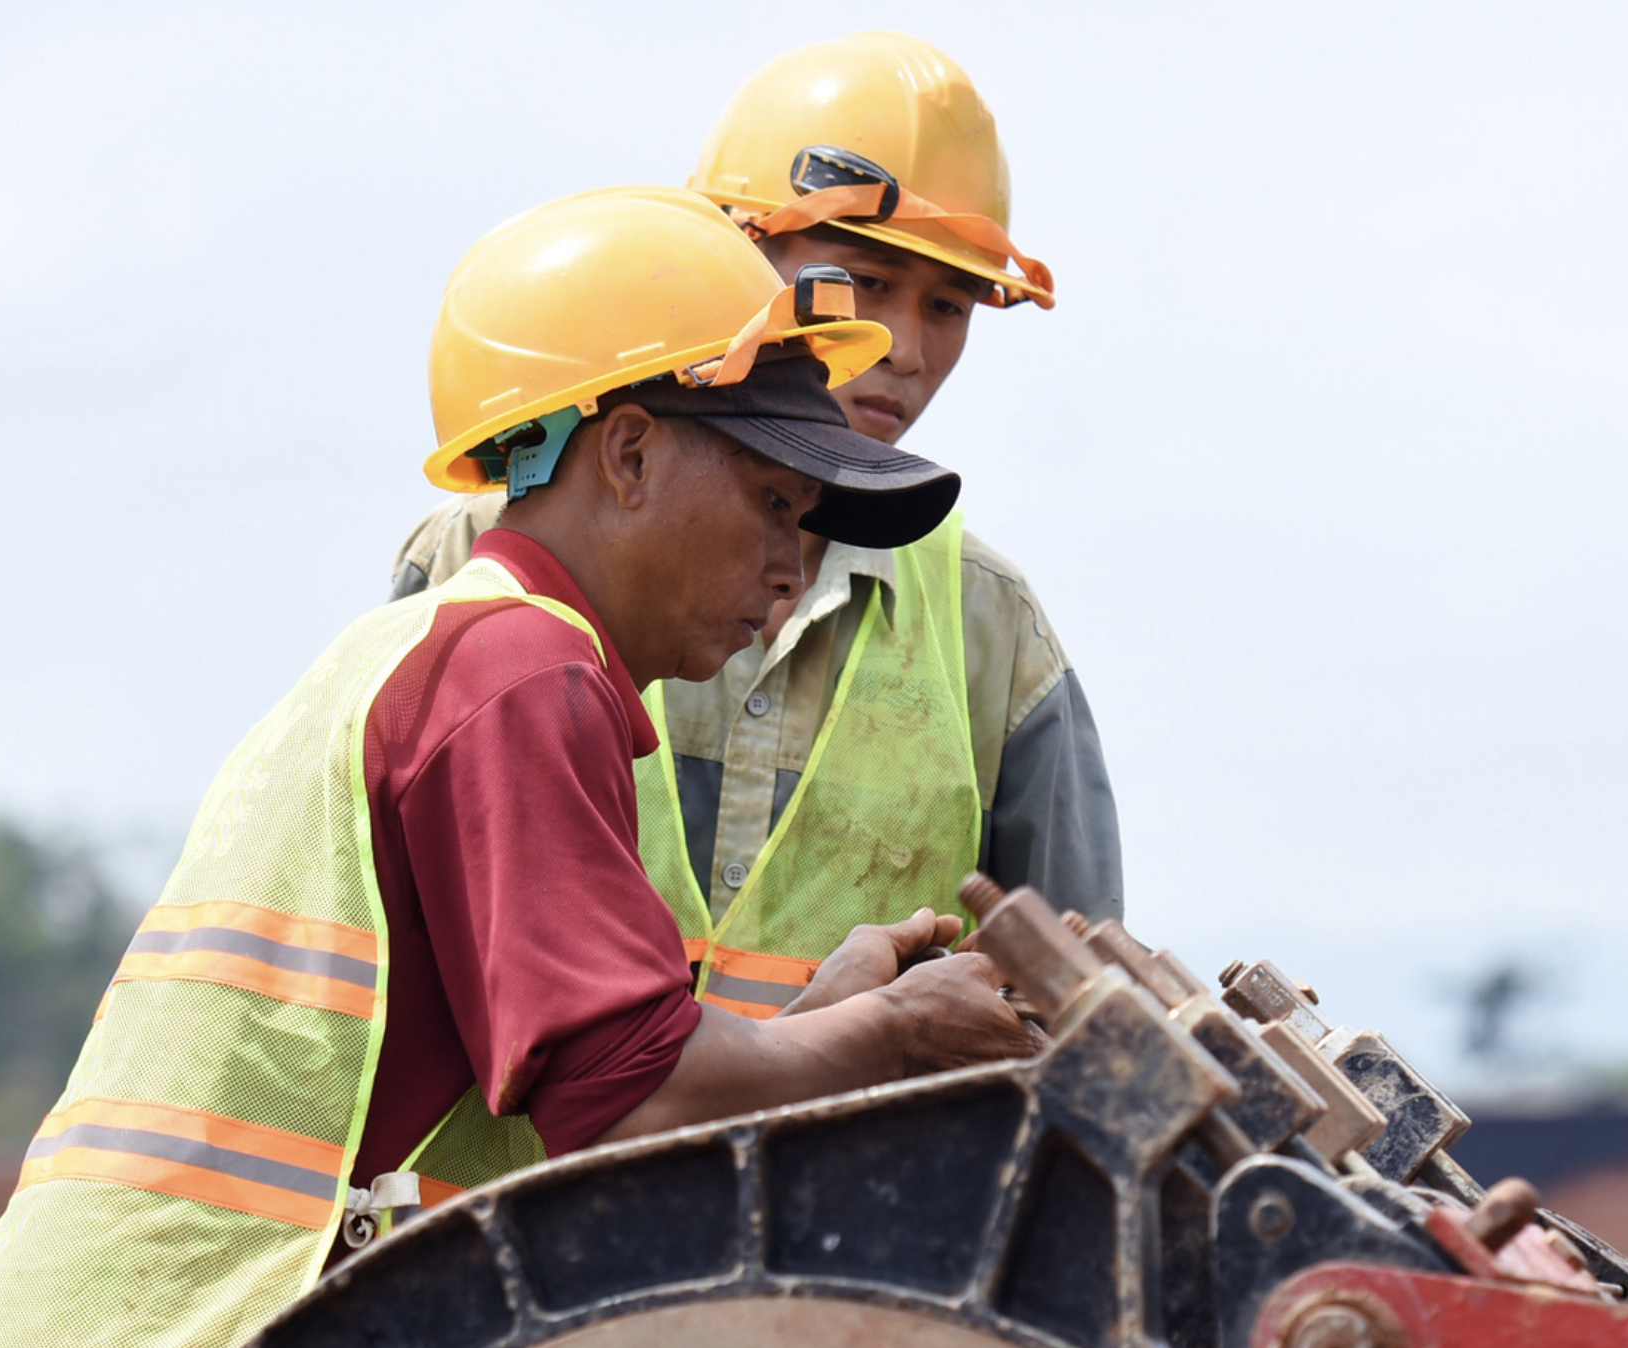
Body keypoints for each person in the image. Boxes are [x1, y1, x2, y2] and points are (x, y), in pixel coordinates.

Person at [0, 186, 1035, 1348]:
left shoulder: (460, 653)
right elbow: (632, 1105)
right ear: (624, 455)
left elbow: (601, 1091)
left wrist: (819, 1020)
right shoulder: (517, 678)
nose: (796, 566)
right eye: (776, 504)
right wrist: (896, 1036)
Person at [390, 32, 1121, 1019]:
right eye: (862, 282)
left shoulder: (989, 628)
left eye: (947, 304)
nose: (903, 348)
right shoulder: (476, 557)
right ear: (730, 257)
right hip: (508, 1173)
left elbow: (1076, 1013)